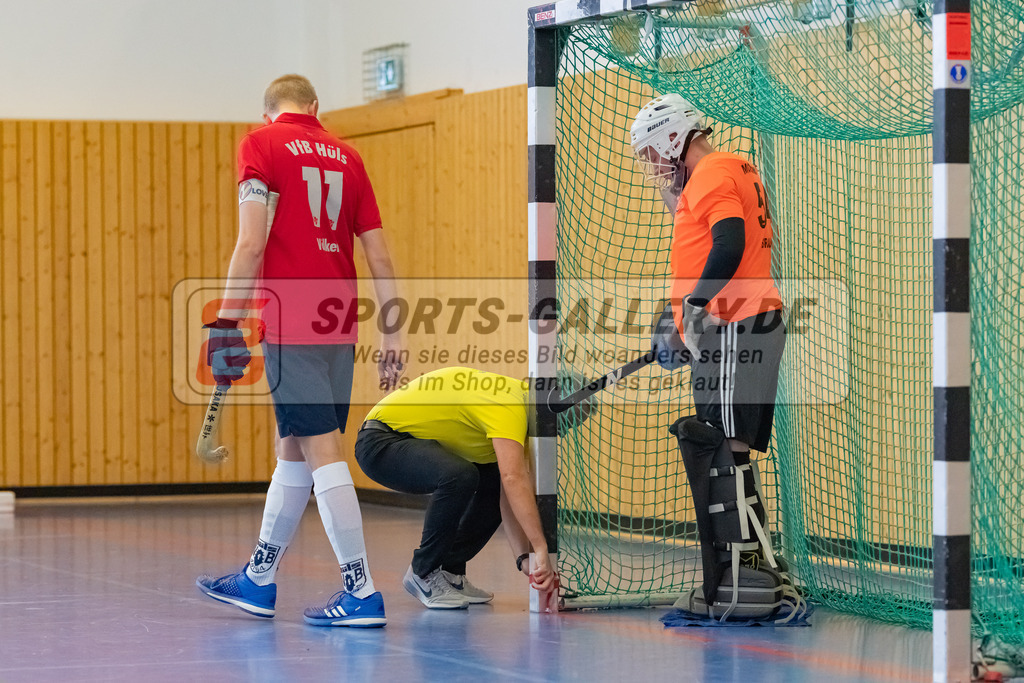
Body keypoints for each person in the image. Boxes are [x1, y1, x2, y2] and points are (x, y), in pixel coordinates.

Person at [197, 74, 404, 628]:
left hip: (292, 318)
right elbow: (379, 257)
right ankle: (259, 578)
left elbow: (250, 241)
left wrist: (225, 323)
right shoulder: (348, 156)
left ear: (270, 113)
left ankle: (360, 590)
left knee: (321, 450)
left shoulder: (260, 145)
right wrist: (394, 335)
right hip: (339, 319)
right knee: (294, 447)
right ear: (316, 108)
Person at [631, 94, 803, 622]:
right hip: (737, 323)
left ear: (671, 139)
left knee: (725, 447)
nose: (651, 167)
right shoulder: (725, 170)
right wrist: (678, 321)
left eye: (650, 154)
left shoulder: (710, 174)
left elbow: (729, 245)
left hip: (736, 324)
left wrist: (693, 310)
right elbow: (700, 251)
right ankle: (747, 570)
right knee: (732, 447)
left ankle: (739, 574)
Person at [352, 366, 558, 609]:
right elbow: (513, 478)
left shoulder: (518, 410)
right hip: (380, 443)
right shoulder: (509, 405)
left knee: (490, 477)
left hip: (411, 442)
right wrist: (541, 547)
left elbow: (506, 492)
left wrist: (524, 557)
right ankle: (424, 573)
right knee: (460, 475)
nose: (556, 431)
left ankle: (449, 571)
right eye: (559, 423)